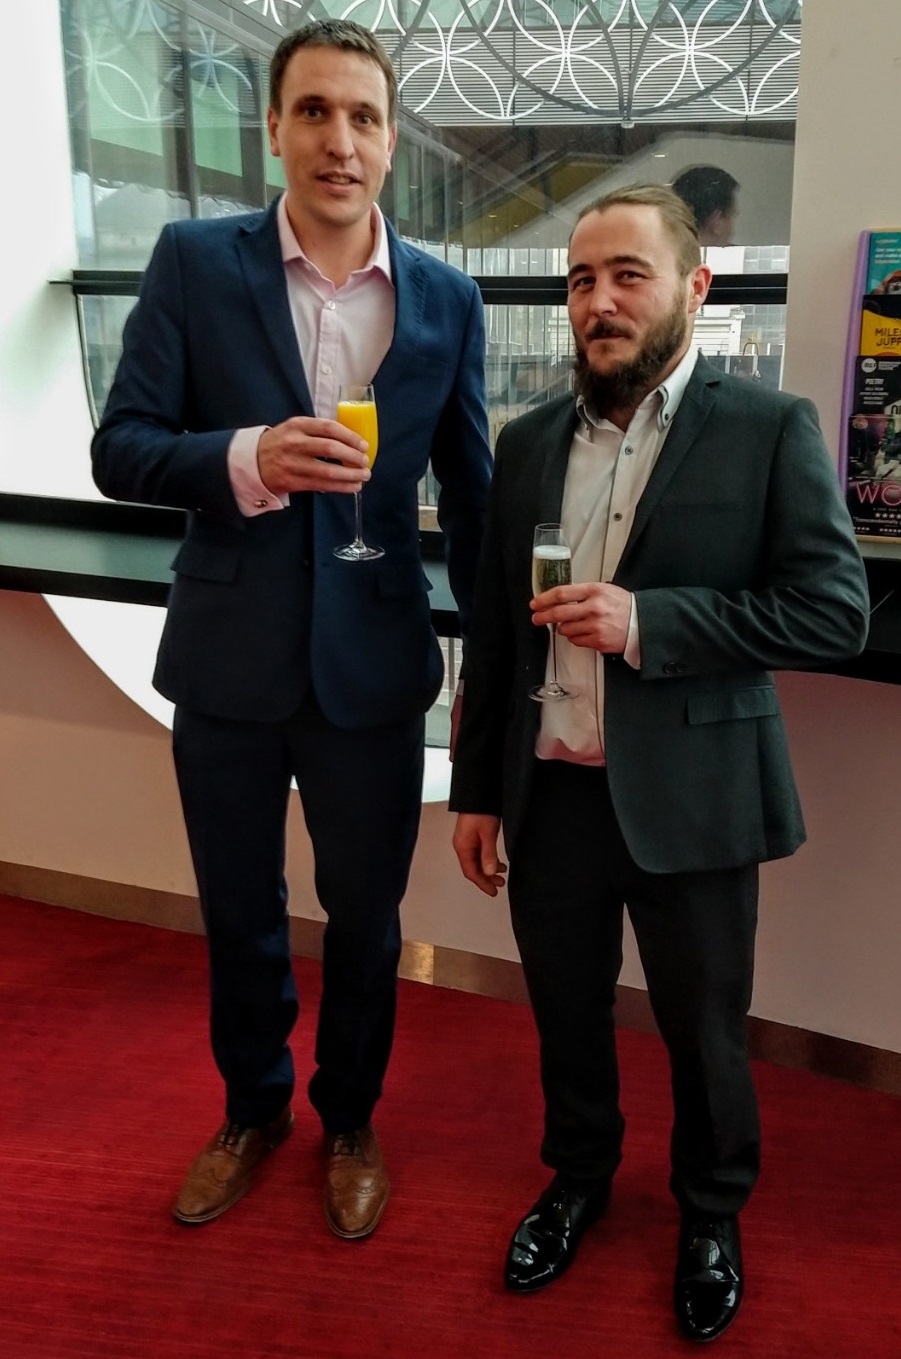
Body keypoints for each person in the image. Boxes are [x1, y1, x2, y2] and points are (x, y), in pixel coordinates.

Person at [92, 19, 492, 1239]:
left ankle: (351, 1118)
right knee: (238, 911)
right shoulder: (191, 262)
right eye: (313, 111)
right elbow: (122, 449)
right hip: (227, 656)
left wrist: (490, 672)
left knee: (366, 922)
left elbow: (471, 501)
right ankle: (253, 1107)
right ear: (273, 129)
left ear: (390, 144)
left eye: (363, 117)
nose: (339, 139)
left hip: (374, 665)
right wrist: (245, 457)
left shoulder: (446, 299)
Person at [450, 185, 868, 1342]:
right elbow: (492, 626)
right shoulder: (527, 440)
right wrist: (477, 788)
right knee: (566, 1014)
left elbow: (832, 612)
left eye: (627, 275)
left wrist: (650, 623)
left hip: (691, 793)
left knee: (703, 1027)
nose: (599, 301)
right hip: (552, 792)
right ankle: (577, 1179)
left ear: (696, 288)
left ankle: (709, 1214)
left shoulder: (767, 428)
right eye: (582, 281)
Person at [671, 165, 739, 246]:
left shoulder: (657, 255)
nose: (731, 232)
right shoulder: (735, 257)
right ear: (717, 222)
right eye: (731, 216)